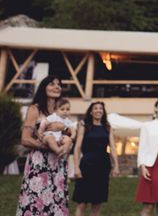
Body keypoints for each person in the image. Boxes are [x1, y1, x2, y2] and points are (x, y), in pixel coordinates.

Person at [16, 75, 70, 215]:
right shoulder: (35, 109)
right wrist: (47, 146)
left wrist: (64, 133)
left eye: (59, 84)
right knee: (37, 201)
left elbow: (69, 133)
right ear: (43, 88)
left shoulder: (62, 110)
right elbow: (25, 139)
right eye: (52, 84)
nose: (57, 86)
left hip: (58, 163)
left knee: (56, 201)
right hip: (40, 163)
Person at [73, 101, 120, 216]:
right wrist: (76, 168)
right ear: (91, 112)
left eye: (101, 109)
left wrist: (116, 166)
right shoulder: (84, 125)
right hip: (86, 166)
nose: (98, 110)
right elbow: (77, 148)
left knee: (97, 203)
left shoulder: (107, 127)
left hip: (103, 166)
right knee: (82, 203)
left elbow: (113, 148)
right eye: (96, 108)